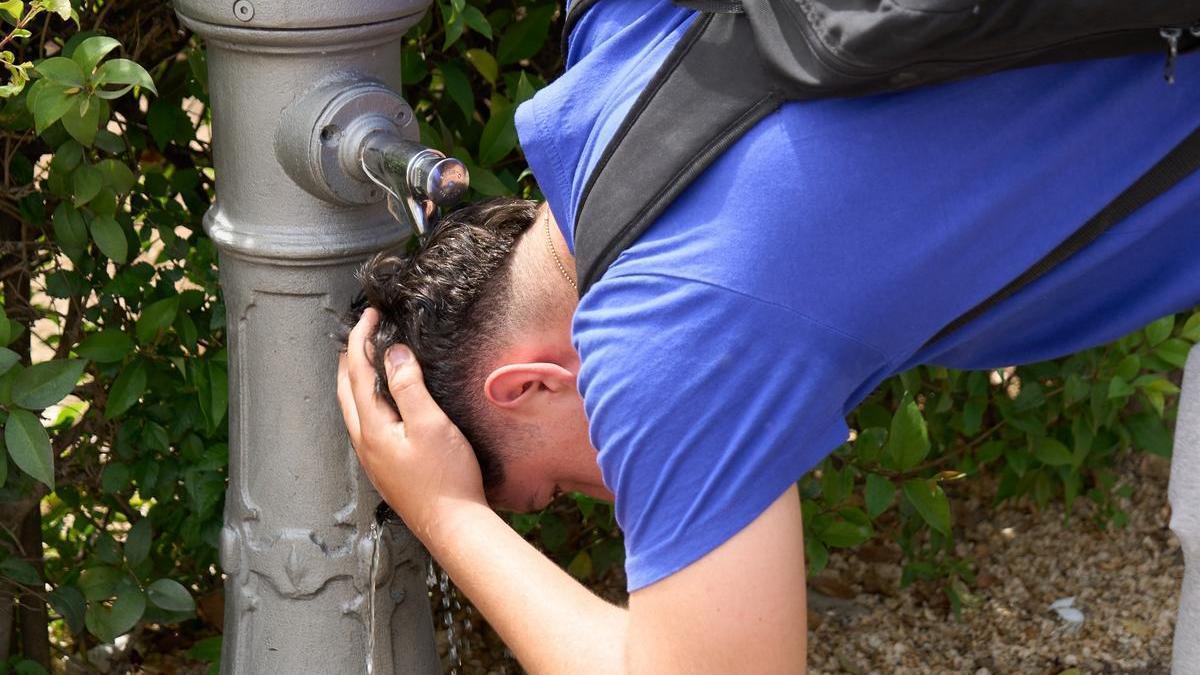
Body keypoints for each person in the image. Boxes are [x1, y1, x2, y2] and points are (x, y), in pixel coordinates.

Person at [337, 1, 1200, 671]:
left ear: (526, 383)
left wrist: (449, 515)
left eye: (559, 485)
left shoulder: (669, 332)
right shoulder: (614, 30)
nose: (610, 501)